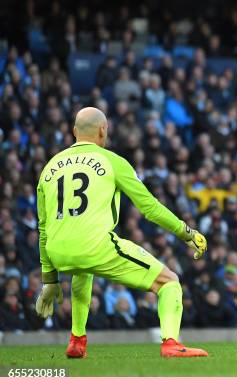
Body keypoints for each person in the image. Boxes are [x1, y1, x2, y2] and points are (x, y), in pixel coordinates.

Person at [35, 107, 209, 358]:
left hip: (57, 252)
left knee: (82, 273)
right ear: (103, 130)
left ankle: (77, 341)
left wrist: (49, 280)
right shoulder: (113, 162)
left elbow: (42, 229)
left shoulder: (49, 168)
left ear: (74, 132)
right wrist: (186, 232)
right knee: (169, 281)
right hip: (95, 246)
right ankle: (171, 343)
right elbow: (149, 208)